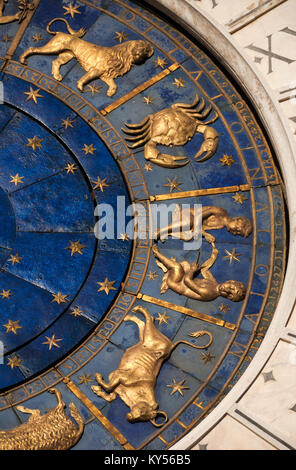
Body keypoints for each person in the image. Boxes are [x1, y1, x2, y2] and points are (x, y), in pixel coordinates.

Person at [152, 243, 246, 302]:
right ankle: (165, 264)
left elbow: (187, 281)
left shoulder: (209, 293)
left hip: (176, 283)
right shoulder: (214, 283)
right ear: (230, 281)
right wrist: (213, 257)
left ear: (229, 296)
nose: (226, 288)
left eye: (229, 292)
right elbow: (204, 269)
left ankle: (157, 254)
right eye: (230, 286)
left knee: (177, 267)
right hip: (183, 278)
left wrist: (193, 269)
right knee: (180, 267)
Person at [155, 204, 252, 242]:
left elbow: (200, 228)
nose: (235, 233)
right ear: (238, 220)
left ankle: (168, 232)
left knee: (188, 237)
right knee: (188, 223)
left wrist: (205, 235)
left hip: (193, 225)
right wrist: (201, 233)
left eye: (238, 234)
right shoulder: (221, 212)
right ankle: (161, 230)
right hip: (189, 215)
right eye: (238, 230)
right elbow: (198, 216)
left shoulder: (220, 226)